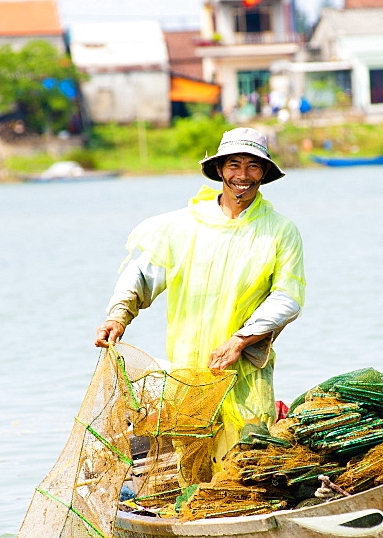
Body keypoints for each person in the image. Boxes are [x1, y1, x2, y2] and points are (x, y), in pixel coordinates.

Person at [94, 127, 305, 458]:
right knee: (194, 455)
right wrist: (118, 316)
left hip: (245, 367)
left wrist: (240, 340)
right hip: (189, 367)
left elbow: (287, 297)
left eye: (253, 167)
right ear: (219, 170)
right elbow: (143, 273)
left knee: (247, 453)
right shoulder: (184, 226)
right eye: (234, 165)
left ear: (264, 173)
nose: (243, 176)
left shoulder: (279, 231)